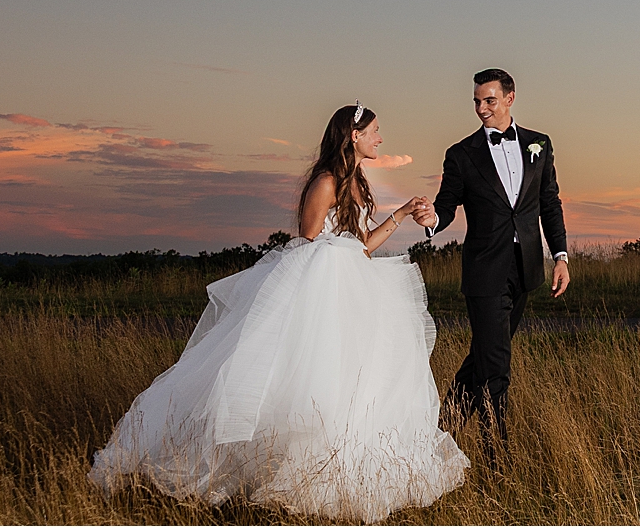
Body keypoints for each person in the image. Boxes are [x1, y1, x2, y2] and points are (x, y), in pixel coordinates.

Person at [89, 103, 468, 523]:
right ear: (353, 135)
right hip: (322, 287)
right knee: (306, 381)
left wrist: (399, 216)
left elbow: (360, 246)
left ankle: (340, 472)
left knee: (360, 381)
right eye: (375, 130)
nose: (381, 138)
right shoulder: (326, 182)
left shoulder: (357, 182)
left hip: (355, 284)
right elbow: (309, 239)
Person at [415, 67, 569, 442]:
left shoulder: (539, 144)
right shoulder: (461, 154)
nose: (482, 108)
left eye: (489, 100)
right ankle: (496, 451)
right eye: (477, 102)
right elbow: (447, 204)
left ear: (509, 98)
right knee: (497, 365)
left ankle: (439, 434)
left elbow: (549, 203)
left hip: (526, 269)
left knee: (486, 358)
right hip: (485, 272)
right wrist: (432, 218)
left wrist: (560, 255)